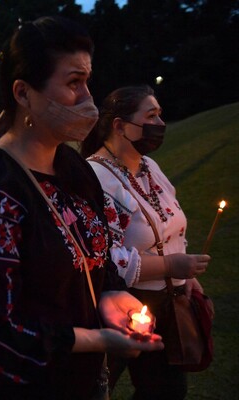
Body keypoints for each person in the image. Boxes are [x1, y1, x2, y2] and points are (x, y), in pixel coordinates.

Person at [0, 16, 164, 400]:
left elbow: (94, 253)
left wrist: (111, 295)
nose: (88, 99)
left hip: (80, 380)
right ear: (23, 93)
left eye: (87, 82)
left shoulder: (73, 166)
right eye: (73, 83)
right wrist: (95, 339)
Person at [81, 85, 211, 399]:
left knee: (166, 390)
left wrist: (184, 277)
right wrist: (169, 265)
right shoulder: (96, 176)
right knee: (96, 386)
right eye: (150, 116)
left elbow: (171, 223)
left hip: (170, 301)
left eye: (160, 115)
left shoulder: (150, 167)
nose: (159, 124)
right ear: (119, 126)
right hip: (124, 304)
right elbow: (104, 253)